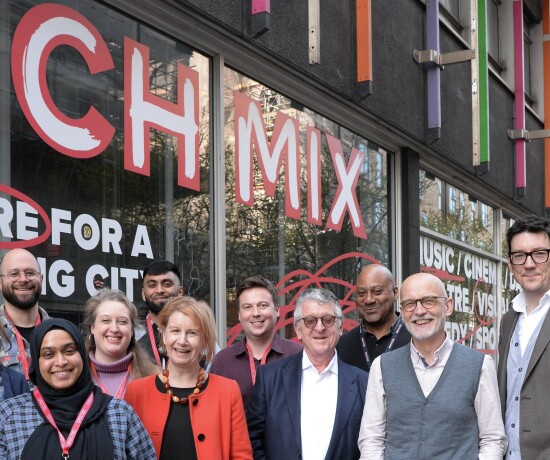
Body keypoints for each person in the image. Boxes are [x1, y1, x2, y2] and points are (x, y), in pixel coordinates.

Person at [358, 272, 507, 459]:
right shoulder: (382, 366)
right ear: (402, 312)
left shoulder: (480, 365)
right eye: (410, 303)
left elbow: (492, 440)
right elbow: (371, 439)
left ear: (448, 306)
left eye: (428, 301)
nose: (419, 311)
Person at [0, 318, 156, 459]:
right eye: (48, 354)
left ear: (82, 354)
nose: (61, 361)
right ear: (37, 362)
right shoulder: (9, 415)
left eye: (69, 351)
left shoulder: (120, 413)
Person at [247, 287, 368, 460]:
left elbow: (372, 444)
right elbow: (253, 440)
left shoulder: (363, 383)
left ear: (340, 327)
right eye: (310, 321)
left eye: (328, 320)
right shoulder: (269, 378)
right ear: (298, 330)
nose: (319, 328)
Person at [124, 296, 253, 459]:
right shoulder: (136, 392)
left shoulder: (228, 391)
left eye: (192, 333)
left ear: (205, 341)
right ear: (164, 335)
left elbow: (242, 456)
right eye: (175, 331)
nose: (182, 341)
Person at [498, 215, 550, 459]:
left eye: (539, 253)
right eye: (519, 255)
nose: (529, 264)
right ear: (510, 264)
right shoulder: (508, 320)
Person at [210, 275, 302, 405]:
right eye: (247, 307)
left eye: (262, 305)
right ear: (239, 315)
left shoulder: (298, 356)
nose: (256, 313)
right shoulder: (223, 361)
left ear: (276, 310)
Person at [82, 288, 158, 398]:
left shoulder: (153, 377)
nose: (114, 329)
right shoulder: (76, 375)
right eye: (106, 320)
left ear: (132, 330)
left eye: (122, 322)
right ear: (92, 327)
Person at [337, 264, 411, 372]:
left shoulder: (415, 340)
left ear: (395, 293)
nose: (369, 300)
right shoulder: (342, 345)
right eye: (361, 293)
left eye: (377, 292)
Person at [0, 248, 49, 381]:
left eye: (30, 272)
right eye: (14, 274)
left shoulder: (58, 332)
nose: (23, 279)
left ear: (41, 278)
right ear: (0, 282)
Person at [137, 261, 184, 366]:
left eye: (167, 284)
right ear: (143, 294)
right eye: (152, 285)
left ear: (180, 292)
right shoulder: (132, 335)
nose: (159, 290)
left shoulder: (198, 334)